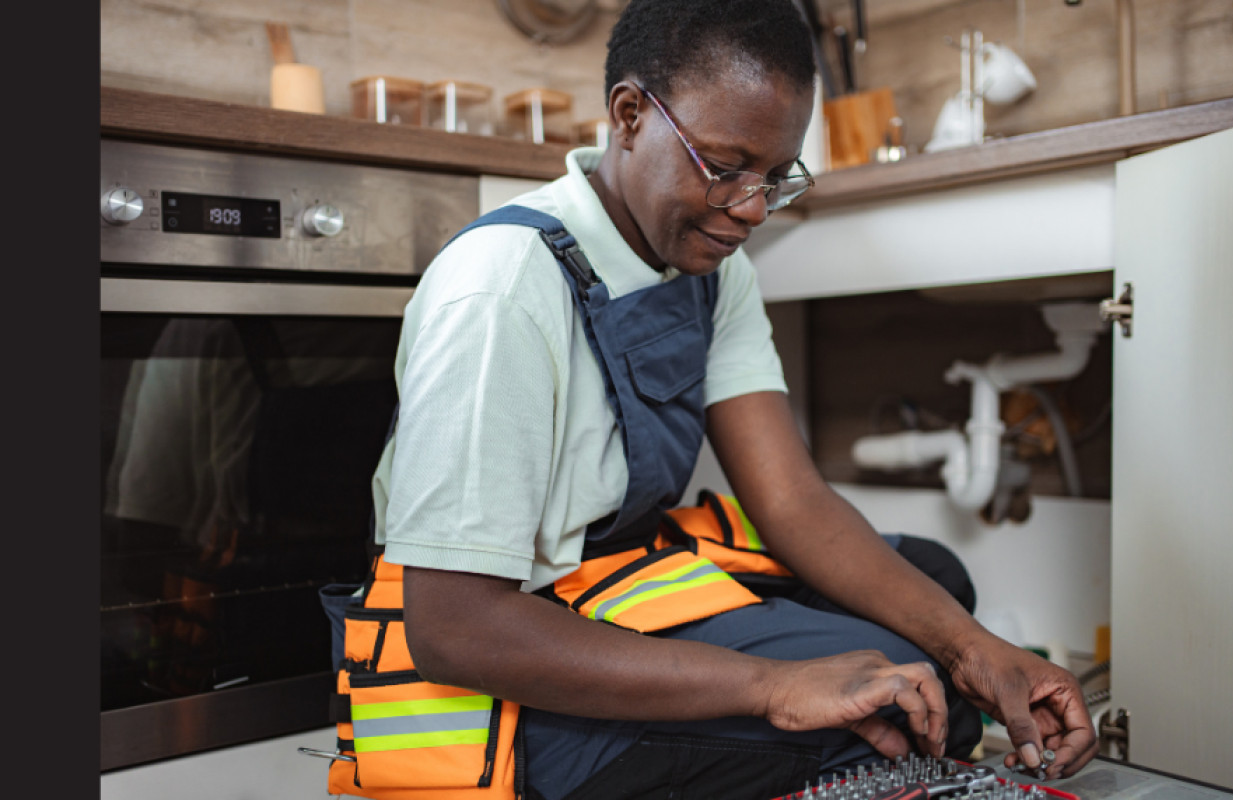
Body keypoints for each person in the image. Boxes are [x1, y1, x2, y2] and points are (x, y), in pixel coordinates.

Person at [365, 1, 1096, 797]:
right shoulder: (502, 287)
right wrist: (776, 688)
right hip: (510, 664)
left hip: (608, 586)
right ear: (630, 115)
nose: (750, 209)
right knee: (916, 707)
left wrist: (977, 650)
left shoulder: (708, 267)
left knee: (935, 590)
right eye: (724, 167)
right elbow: (454, 628)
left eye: (776, 178)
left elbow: (792, 502)